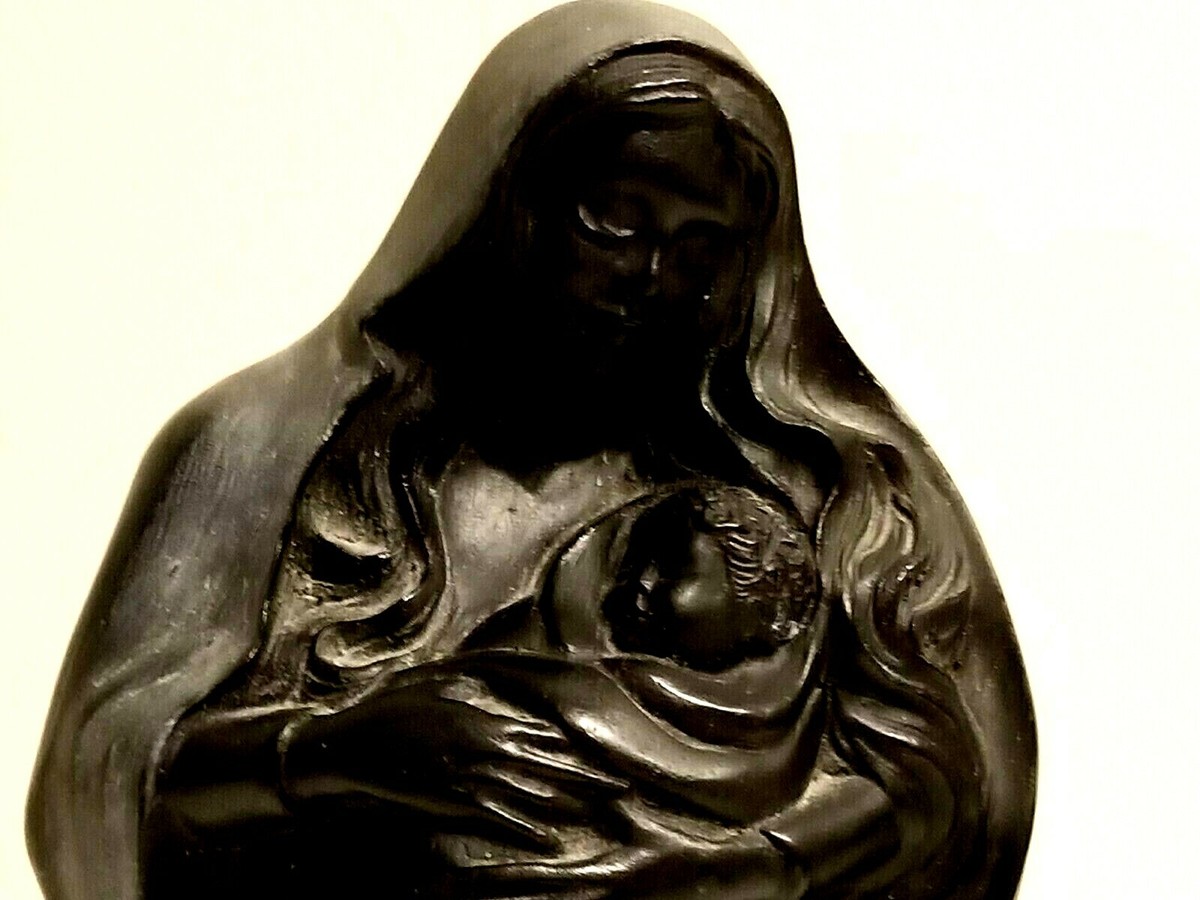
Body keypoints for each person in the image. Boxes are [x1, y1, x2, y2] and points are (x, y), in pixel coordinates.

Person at [27, 3, 1036, 899]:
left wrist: (744, 866)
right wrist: (325, 751)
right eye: (613, 222)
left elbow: (963, 785)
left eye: (699, 246)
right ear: (508, 206)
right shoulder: (265, 448)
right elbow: (97, 779)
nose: (650, 275)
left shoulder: (833, 494)